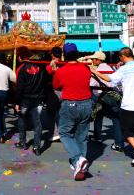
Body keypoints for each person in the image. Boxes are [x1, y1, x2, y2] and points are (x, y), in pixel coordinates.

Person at [91, 47, 134, 167]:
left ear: (122, 57)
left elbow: (108, 78)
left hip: (130, 106)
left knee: (127, 131)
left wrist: (95, 72)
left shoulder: (123, 70)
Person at [52, 43, 92, 181]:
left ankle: (78, 159)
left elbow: (56, 86)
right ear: (77, 54)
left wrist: (55, 69)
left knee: (64, 133)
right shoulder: (86, 69)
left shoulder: (61, 70)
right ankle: (80, 165)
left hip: (70, 104)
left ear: (64, 55)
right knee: (82, 135)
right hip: (86, 103)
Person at [14, 47, 51, 156]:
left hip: (25, 99)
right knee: (37, 122)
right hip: (38, 98)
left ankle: (23, 142)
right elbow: (46, 83)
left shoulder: (22, 69)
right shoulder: (42, 68)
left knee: (21, 119)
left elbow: (19, 87)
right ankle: (36, 147)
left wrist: (16, 102)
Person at [86, 51, 124, 152]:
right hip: (111, 95)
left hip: (103, 96)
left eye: (94, 59)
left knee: (101, 116)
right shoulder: (109, 67)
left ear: (98, 60)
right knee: (112, 118)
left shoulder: (97, 69)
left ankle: (99, 137)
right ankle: (118, 143)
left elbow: (91, 83)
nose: (92, 60)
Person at [45, 47, 63, 142]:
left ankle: (56, 132)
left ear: (52, 54)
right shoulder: (64, 64)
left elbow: (48, 72)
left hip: (54, 91)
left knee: (51, 113)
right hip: (64, 90)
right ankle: (61, 132)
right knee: (60, 112)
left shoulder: (51, 64)